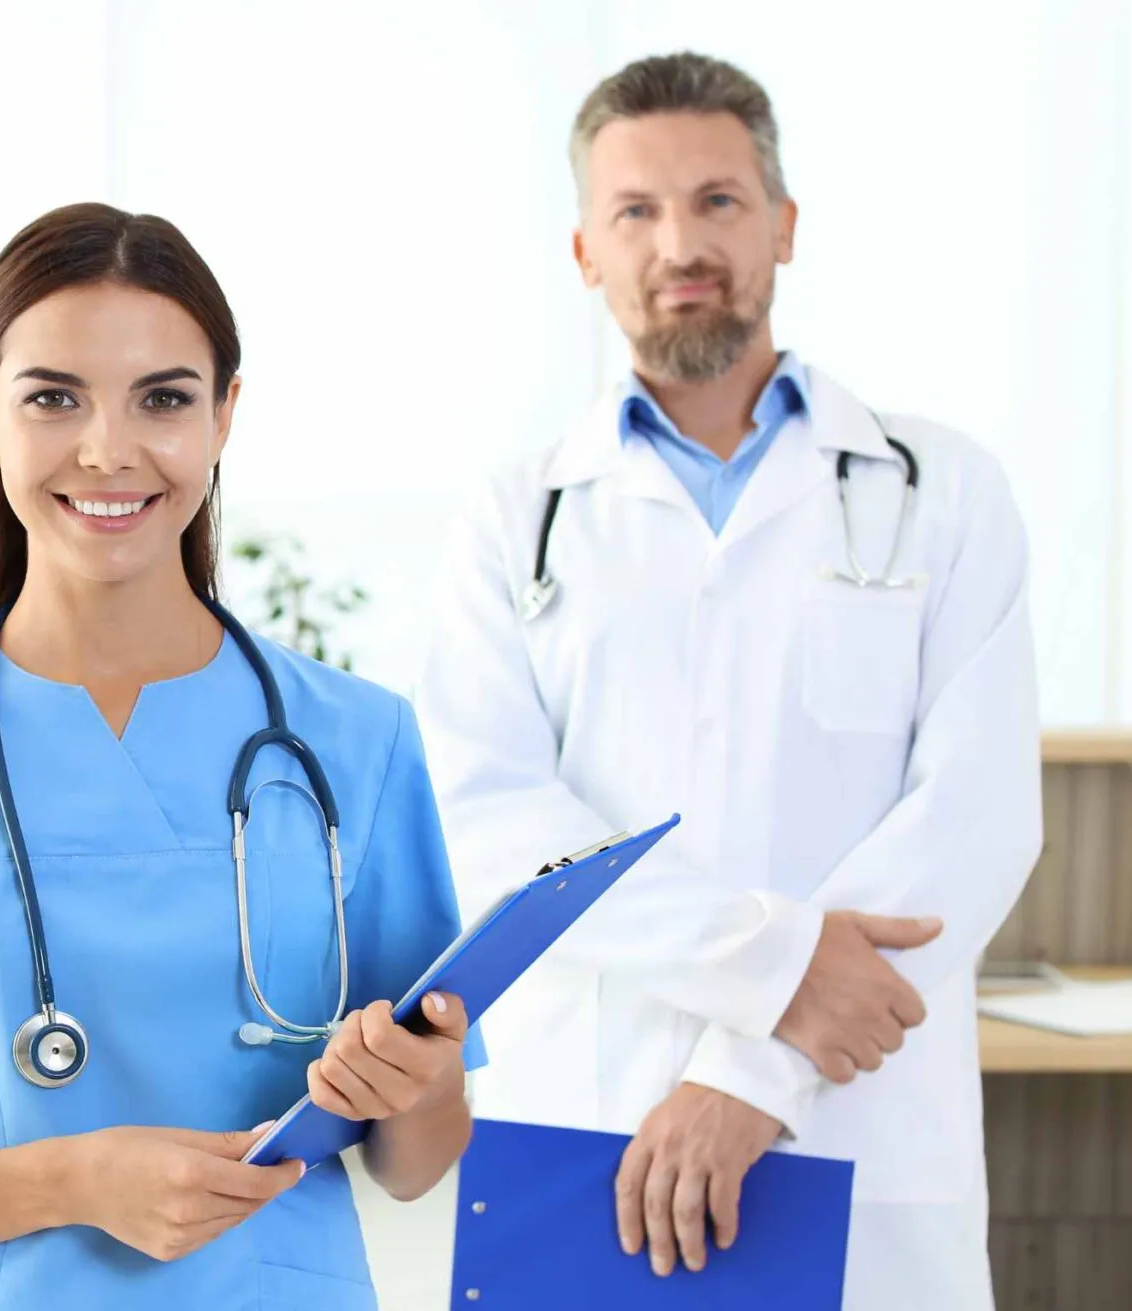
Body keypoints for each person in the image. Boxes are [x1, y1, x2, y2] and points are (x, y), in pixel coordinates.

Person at [0, 202, 478, 1308]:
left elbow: (412, 1166)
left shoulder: (357, 741)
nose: (107, 449)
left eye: (162, 398)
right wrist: (69, 1179)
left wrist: (415, 1082)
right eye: (52, 398)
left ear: (223, 418)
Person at [416, 52, 1040, 1310]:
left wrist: (755, 1073)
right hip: (590, 1128)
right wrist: (769, 968)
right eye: (633, 211)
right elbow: (488, 826)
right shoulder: (512, 517)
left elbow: (970, 820)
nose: (677, 242)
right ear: (584, 251)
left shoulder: (940, 489)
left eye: (716, 200)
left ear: (783, 225)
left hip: (854, 1125)